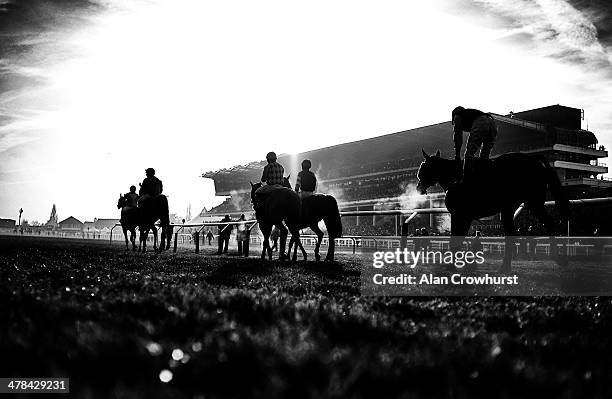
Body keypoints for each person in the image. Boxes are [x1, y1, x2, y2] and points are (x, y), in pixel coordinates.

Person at [452, 106, 498, 182]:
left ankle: (466, 181)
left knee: (468, 155)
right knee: (484, 157)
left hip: (481, 121)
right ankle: (485, 178)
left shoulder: (457, 115)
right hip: (492, 122)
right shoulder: (469, 114)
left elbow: (457, 136)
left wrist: (457, 155)